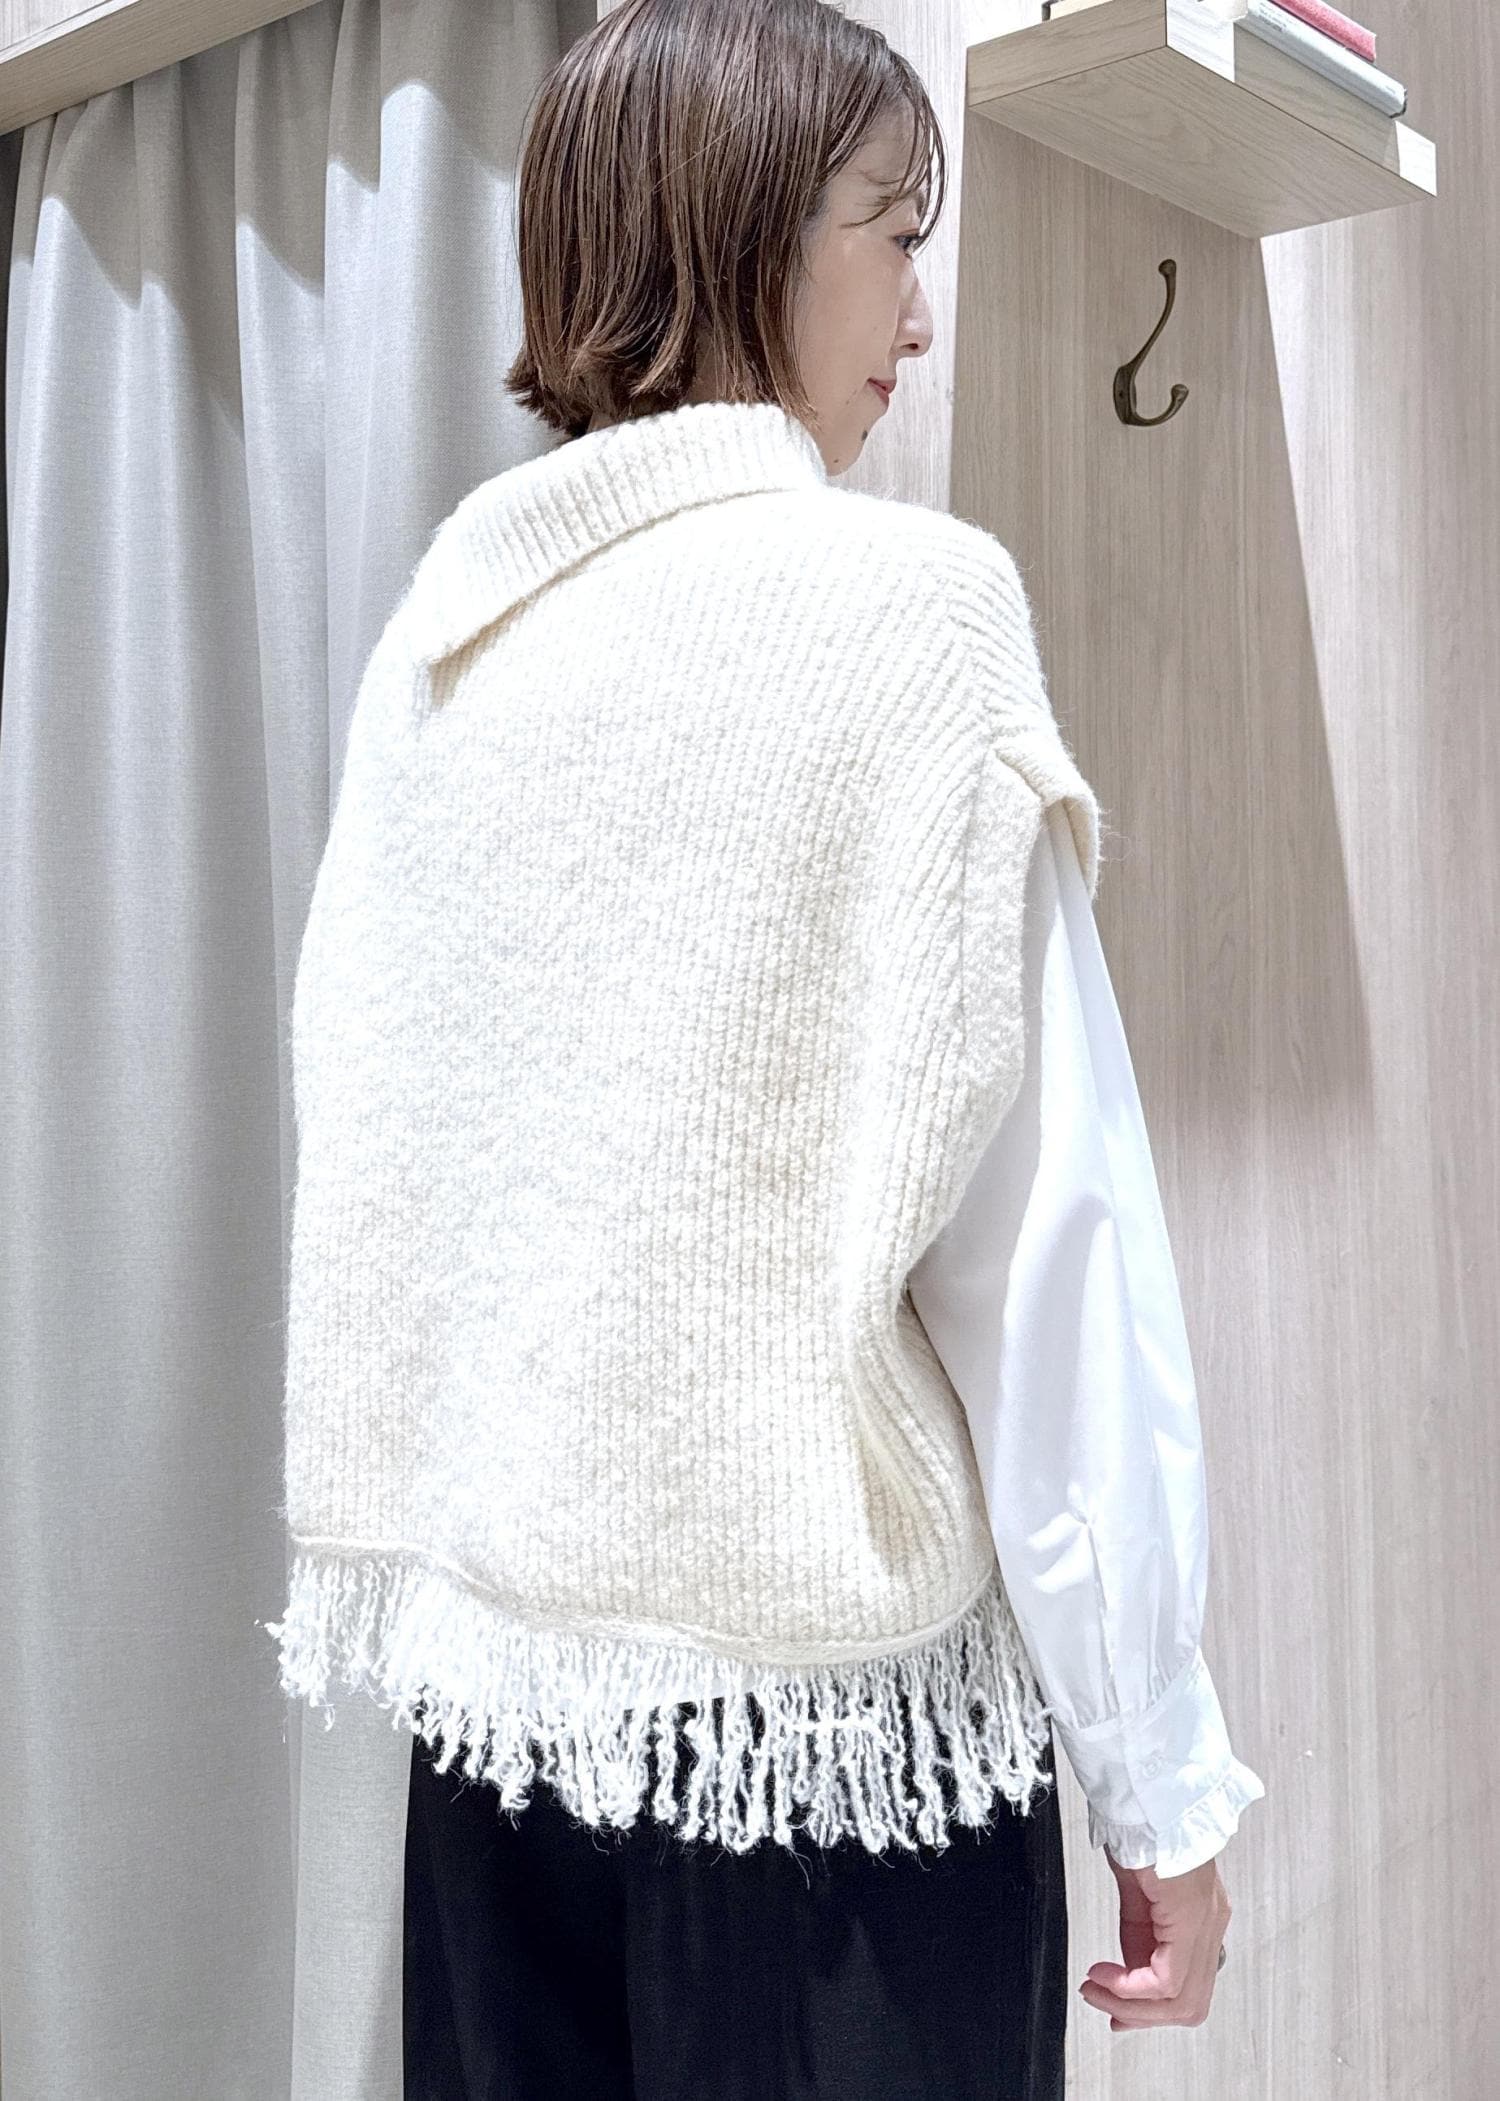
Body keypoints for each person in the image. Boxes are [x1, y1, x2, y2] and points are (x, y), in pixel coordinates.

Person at [266, 2, 1264, 2093]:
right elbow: (1045, 1259)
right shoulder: (911, 616)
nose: (920, 306)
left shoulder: (444, 645)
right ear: (747, 233)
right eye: (896, 231)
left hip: (502, 1740)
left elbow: (379, 1152)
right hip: (829, 1758)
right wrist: (1157, 1770)